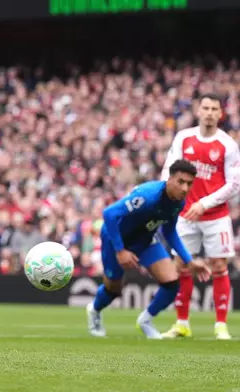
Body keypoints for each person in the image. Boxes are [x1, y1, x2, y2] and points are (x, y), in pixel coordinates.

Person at [86, 159, 211, 339]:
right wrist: (120, 250)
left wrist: (189, 261)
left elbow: (169, 231)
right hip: (115, 238)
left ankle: (145, 321)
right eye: (180, 182)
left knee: (171, 283)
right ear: (170, 180)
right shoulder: (148, 196)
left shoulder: (179, 202)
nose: (185, 188)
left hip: (145, 239)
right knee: (113, 288)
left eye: (189, 184)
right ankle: (95, 310)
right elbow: (109, 214)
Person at [160, 94, 240, 340]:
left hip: (215, 216)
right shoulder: (183, 138)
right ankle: (182, 323)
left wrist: (204, 203)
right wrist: (166, 196)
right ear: (198, 110)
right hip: (184, 214)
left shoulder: (227, 144)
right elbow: (168, 170)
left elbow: (234, 184)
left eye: (213, 109)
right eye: (205, 107)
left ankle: (221, 326)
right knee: (181, 266)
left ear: (220, 114)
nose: (208, 112)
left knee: (219, 266)